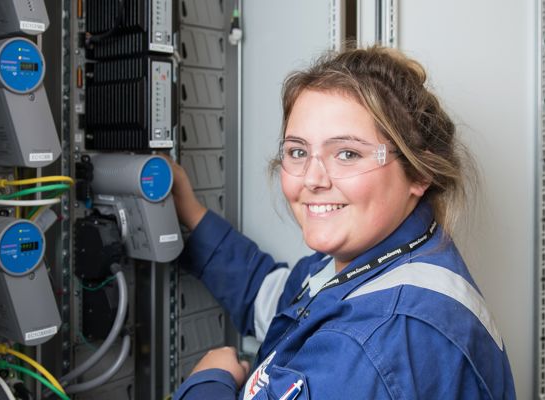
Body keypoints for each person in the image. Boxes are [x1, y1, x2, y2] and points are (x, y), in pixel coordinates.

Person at [170, 46, 516, 399]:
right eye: (298, 152)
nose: (312, 179)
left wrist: (208, 379)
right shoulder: (381, 260)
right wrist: (192, 215)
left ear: (419, 173)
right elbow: (274, 297)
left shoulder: (373, 344)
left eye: (347, 154)